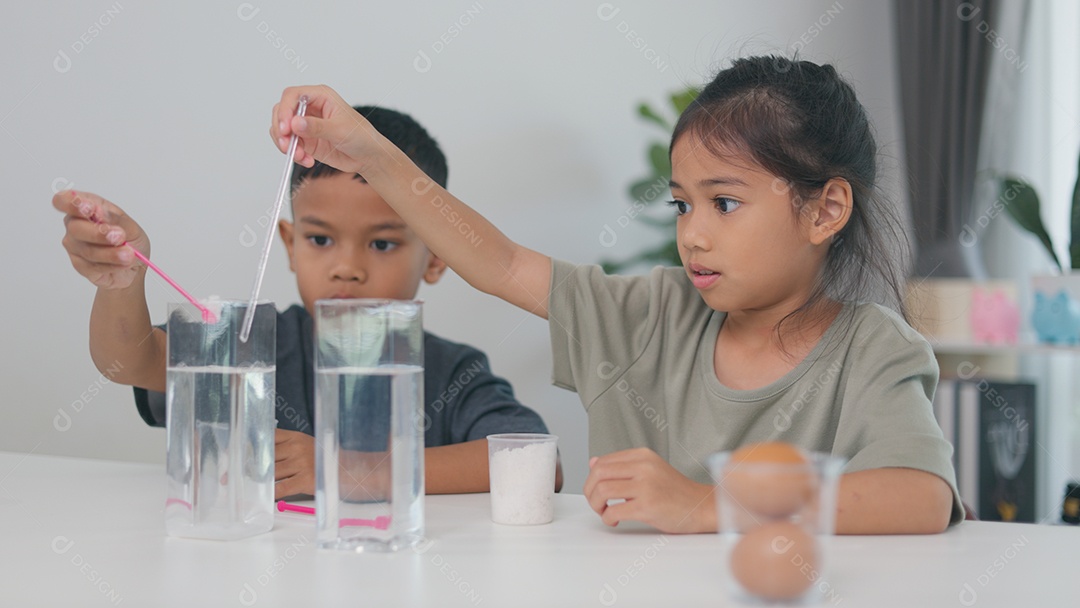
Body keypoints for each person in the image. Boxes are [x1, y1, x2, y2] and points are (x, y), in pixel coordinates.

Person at [267, 56, 963, 534]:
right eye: (682, 205)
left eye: (723, 203)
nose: (693, 234)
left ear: (824, 210)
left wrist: (703, 506)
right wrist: (371, 154)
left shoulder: (872, 348)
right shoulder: (650, 314)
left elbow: (921, 497)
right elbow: (503, 263)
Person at [54, 105, 561, 499]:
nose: (347, 267)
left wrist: (345, 470)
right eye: (320, 240)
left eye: (382, 243)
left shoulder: (452, 373)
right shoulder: (253, 343)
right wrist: (120, 283)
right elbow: (129, 362)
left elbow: (540, 465)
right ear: (290, 244)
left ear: (436, 259)